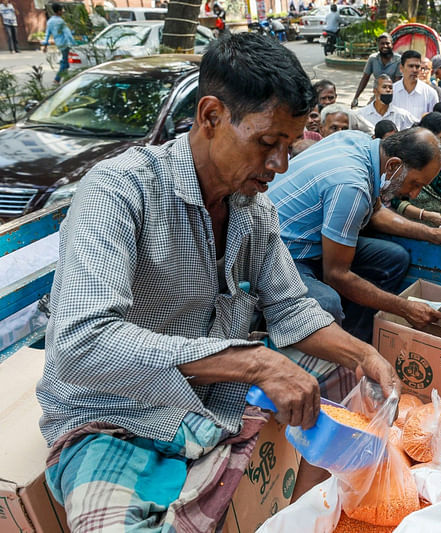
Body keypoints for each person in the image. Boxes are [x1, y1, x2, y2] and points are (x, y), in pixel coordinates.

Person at [38, 32, 396, 531]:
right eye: (268, 143)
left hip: (213, 397)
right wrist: (254, 362)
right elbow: (81, 344)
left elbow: (292, 309)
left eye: (289, 146)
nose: (280, 165)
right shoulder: (119, 190)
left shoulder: (253, 208)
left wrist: (365, 356)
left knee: (343, 380)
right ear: (211, 117)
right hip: (114, 415)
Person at [269, 128, 441, 344]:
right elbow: (336, 275)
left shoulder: (359, 143)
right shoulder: (352, 186)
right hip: (280, 255)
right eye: (415, 184)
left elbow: (377, 213)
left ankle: (356, 338)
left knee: (393, 258)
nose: (414, 194)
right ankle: (342, 359)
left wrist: (431, 233)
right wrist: (405, 308)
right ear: (393, 165)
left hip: (312, 244)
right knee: (327, 303)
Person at [393, 112, 441, 226]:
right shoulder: (409, 162)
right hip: (415, 226)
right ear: (428, 137)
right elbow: (395, 201)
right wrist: (424, 215)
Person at [350, 33, 402, 108]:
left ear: (392, 44)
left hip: (392, 94)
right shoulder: (373, 59)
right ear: (378, 45)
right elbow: (365, 78)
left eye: (387, 43)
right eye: (382, 44)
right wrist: (356, 97)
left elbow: (397, 82)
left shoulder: (398, 60)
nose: (385, 46)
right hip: (377, 94)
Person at [392, 50, 439, 122]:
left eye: (417, 66)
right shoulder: (392, 91)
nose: (414, 70)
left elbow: (435, 121)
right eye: (410, 66)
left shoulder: (430, 93)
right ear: (401, 68)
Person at [42, 3, 76, 84]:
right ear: (58, 11)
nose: (63, 12)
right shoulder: (61, 21)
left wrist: (45, 45)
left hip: (58, 43)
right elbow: (67, 33)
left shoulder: (50, 21)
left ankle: (66, 78)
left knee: (66, 62)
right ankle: (57, 79)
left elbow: (47, 34)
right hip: (65, 43)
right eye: (61, 10)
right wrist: (73, 43)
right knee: (65, 62)